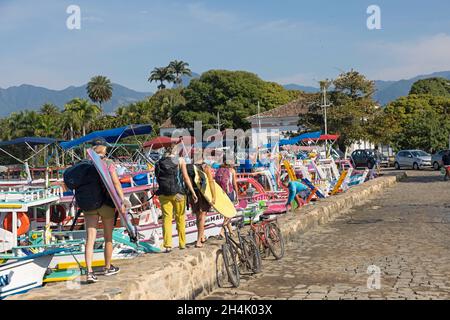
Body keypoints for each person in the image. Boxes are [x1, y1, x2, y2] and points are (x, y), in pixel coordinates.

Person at [83, 138, 123, 284]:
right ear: (103, 148)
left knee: (90, 239)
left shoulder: (85, 164)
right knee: (108, 237)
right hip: (106, 204)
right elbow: (116, 183)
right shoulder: (108, 163)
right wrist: (122, 199)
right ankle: (107, 267)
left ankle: (89, 272)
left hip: (90, 205)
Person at [155, 142, 197, 253]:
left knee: (166, 219)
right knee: (180, 217)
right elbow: (186, 178)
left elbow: (157, 178)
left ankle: (168, 245)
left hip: (164, 194)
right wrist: (193, 192)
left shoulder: (159, 162)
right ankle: (182, 244)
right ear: (175, 150)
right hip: (178, 193)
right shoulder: (180, 160)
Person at [186, 148, 216, 248]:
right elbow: (211, 182)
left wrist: (192, 193)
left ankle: (201, 236)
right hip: (203, 194)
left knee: (197, 216)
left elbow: (188, 181)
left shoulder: (189, 167)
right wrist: (214, 196)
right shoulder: (205, 167)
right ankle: (199, 240)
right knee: (202, 216)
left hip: (193, 193)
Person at [215, 154, 239, 239]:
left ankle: (231, 232)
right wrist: (237, 195)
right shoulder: (232, 170)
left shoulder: (219, 170)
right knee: (231, 213)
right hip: (229, 193)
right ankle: (222, 231)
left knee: (226, 213)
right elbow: (234, 184)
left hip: (221, 194)